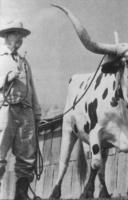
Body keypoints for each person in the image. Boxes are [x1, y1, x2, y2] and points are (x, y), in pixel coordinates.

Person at [0, 20, 41, 200]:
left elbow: (31, 87)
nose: (19, 39)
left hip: (26, 112)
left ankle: (21, 194)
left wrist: (37, 112)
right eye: (15, 34)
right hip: (5, 110)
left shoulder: (25, 62)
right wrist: (7, 78)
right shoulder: (0, 59)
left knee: (27, 155)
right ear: (7, 37)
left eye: (21, 36)